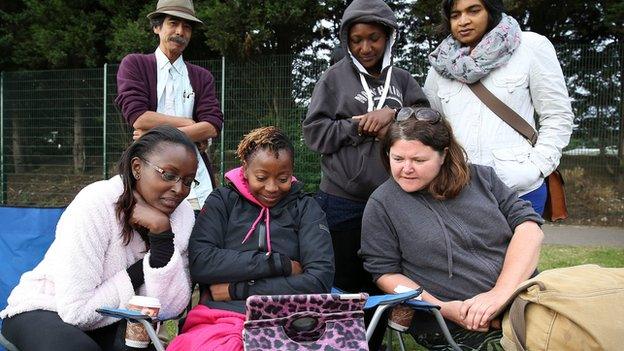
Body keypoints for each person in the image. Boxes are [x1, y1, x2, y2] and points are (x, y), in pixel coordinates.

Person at [359, 108, 544, 350]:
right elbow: (385, 274)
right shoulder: (381, 204)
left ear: (443, 155)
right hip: (450, 318)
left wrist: (499, 295)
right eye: (398, 159)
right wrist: (443, 308)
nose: (406, 169)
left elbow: (530, 229)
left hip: (521, 297)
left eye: (419, 160)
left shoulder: (481, 178)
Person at [0, 125, 197, 351]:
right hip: (45, 308)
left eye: (188, 181)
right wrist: (142, 270)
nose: (179, 189)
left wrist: (162, 235)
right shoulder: (96, 203)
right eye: (169, 175)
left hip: (114, 317)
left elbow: (170, 307)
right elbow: (77, 310)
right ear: (137, 168)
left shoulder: (182, 217)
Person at [167, 127, 334, 350]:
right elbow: (202, 263)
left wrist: (235, 290)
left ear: (292, 172)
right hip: (222, 315)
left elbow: (318, 281)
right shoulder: (222, 201)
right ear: (245, 169)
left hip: (293, 316)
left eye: (283, 178)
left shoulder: (306, 208)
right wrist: (279, 264)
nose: (272, 187)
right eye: (261, 177)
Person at [303, 0, 428, 296]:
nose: (366, 47)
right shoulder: (333, 78)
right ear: (347, 40)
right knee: (344, 279)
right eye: (356, 40)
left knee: (384, 277)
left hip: (394, 197)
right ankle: (345, 339)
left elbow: (427, 119)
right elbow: (314, 133)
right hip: (342, 199)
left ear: (389, 37)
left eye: (374, 38)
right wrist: (358, 126)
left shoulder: (402, 79)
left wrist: (393, 115)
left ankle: (376, 338)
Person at [423, 0, 574, 215]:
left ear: (491, 11)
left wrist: (537, 167)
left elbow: (557, 114)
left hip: (519, 190)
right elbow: (435, 126)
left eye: (473, 11)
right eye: (455, 15)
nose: (463, 21)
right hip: (459, 190)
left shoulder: (530, 47)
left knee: (519, 250)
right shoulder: (441, 65)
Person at [116, 0, 223, 213]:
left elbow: (212, 124)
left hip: (194, 181)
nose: (180, 31)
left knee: (196, 236)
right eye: (173, 23)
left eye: (187, 27)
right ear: (157, 27)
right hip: (145, 175)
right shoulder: (135, 64)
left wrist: (152, 135)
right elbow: (138, 117)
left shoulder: (202, 77)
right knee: (147, 236)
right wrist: (189, 125)